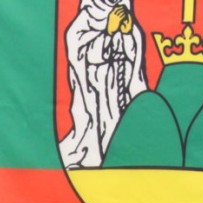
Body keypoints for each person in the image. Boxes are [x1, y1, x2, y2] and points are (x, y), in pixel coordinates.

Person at [59, 0, 147, 168]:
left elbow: (135, 57)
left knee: (122, 129)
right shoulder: (85, 19)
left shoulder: (125, 14)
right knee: (101, 131)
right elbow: (79, 54)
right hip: (97, 91)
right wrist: (108, 31)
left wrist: (127, 34)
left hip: (121, 89)